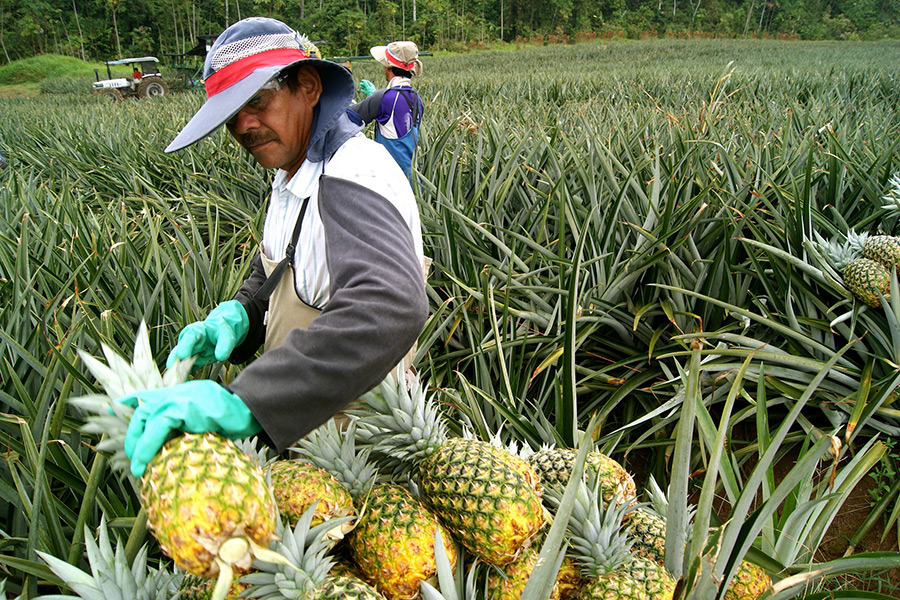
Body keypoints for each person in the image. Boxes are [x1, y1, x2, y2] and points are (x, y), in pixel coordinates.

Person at [117, 17, 428, 479]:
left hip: (358, 445)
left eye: (256, 101)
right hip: (308, 431)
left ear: (307, 87)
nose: (243, 125)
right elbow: (286, 266)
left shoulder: (351, 174)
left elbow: (390, 304)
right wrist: (242, 314)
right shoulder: (293, 172)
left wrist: (249, 403)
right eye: (231, 115)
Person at [349, 41, 424, 180]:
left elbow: (349, 117)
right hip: (413, 179)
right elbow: (396, 115)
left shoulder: (384, 98)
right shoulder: (416, 99)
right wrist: (375, 97)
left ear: (388, 67)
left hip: (391, 179)